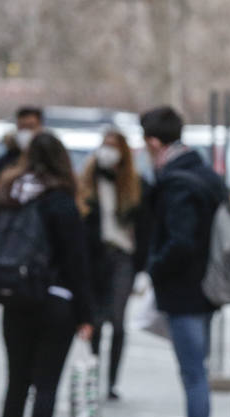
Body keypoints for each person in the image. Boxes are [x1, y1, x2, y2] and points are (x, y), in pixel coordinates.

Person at [0, 132, 93, 417]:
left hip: (14, 300)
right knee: (46, 384)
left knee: (16, 382)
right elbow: (76, 264)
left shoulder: (5, 196)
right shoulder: (61, 202)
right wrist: (86, 315)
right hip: (56, 303)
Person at [141, 105, 227, 417]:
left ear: (153, 141)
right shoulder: (204, 173)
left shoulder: (176, 181)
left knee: (193, 375)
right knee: (197, 372)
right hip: (206, 288)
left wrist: (154, 268)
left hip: (185, 292)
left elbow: (181, 241)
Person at [79, 128, 150, 400]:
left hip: (123, 258)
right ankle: (94, 375)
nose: (107, 151)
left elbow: (144, 230)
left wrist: (143, 269)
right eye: (104, 145)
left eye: (113, 146)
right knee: (95, 321)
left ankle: (112, 382)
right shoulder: (88, 183)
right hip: (95, 258)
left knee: (118, 322)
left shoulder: (135, 185)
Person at [0, 105, 43, 190]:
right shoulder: (0, 165)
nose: (26, 132)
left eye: (30, 127)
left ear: (40, 127)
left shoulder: (49, 164)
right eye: (22, 127)